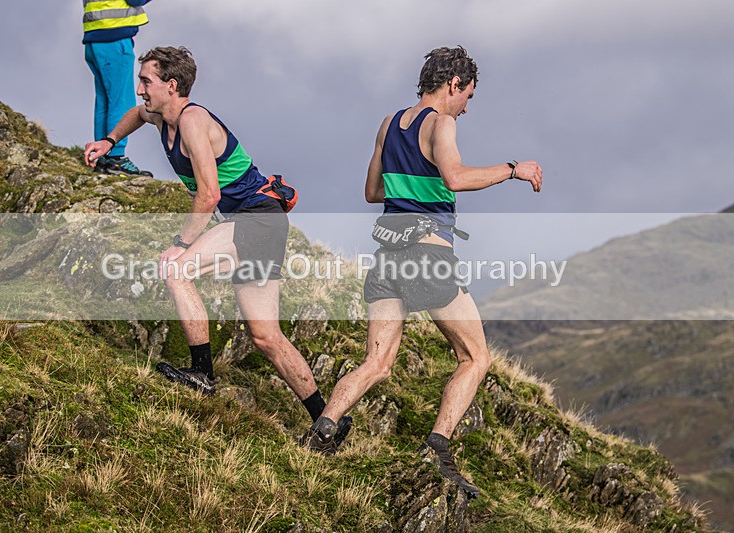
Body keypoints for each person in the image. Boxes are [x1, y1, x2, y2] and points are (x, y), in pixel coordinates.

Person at [301, 46, 542, 498]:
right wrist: (514, 169)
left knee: (377, 363)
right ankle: (437, 450)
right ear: (453, 84)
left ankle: (322, 431)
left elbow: (373, 192)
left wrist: (409, 186)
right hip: (428, 257)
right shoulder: (441, 123)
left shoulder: (389, 123)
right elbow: (455, 178)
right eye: (468, 96)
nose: (466, 108)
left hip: (388, 256)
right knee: (476, 358)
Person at [83, 46, 352, 437]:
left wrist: (181, 243)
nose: (140, 89)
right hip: (260, 224)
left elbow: (208, 195)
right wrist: (108, 141)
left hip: (257, 218)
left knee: (177, 269)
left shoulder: (193, 121)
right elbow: (135, 115)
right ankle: (327, 422)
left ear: (171, 85)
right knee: (266, 336)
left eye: (146, 81)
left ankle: (202, 374)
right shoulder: (159, 116)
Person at [83, 0, 152, 176]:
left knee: (105, 101)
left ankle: (102, 155)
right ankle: (115, 157)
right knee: (121, 101)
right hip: (113, 37)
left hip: (95, 37)